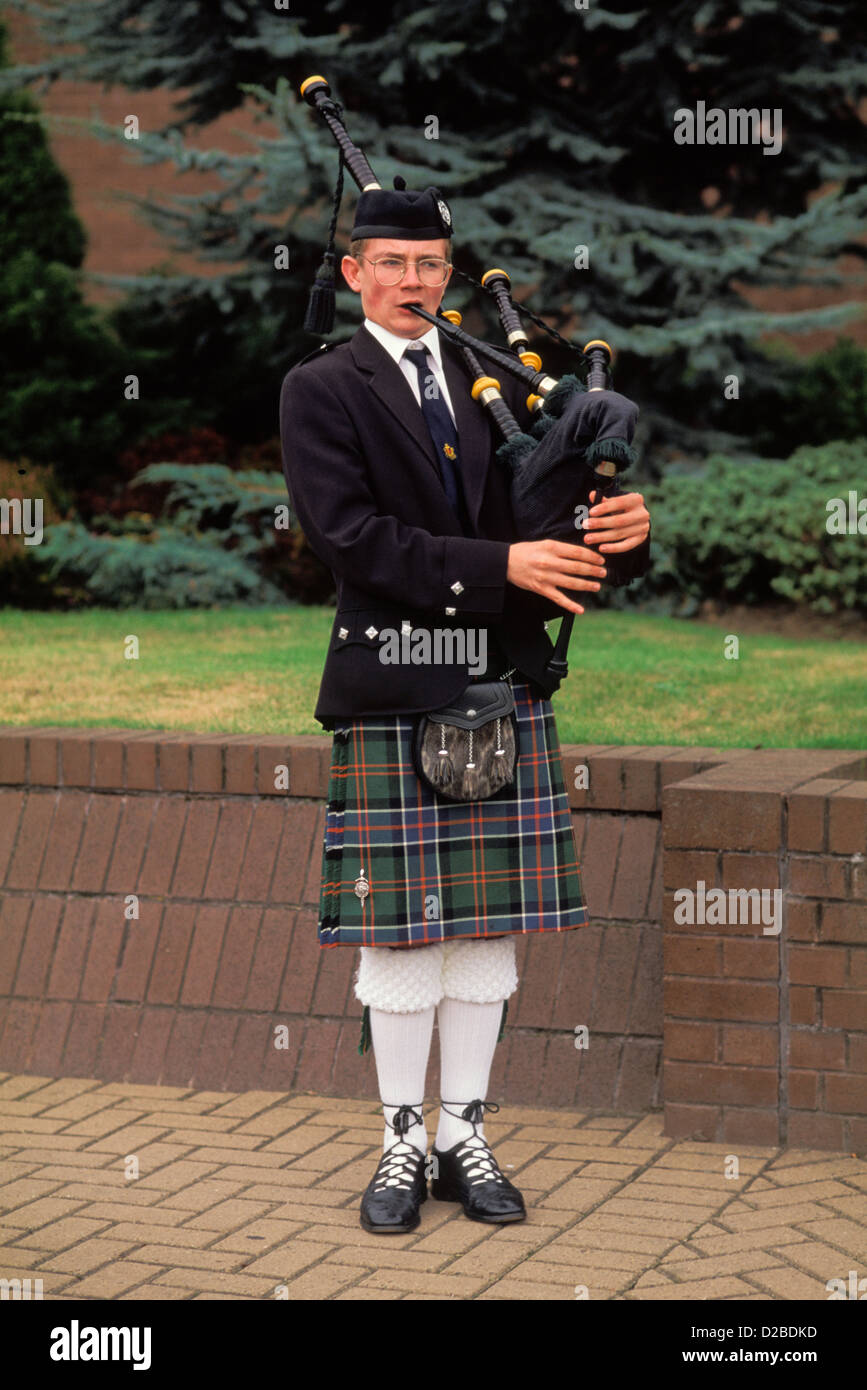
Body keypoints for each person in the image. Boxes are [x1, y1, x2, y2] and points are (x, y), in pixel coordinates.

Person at [279, 178, 651, 1235]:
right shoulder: (322, 388)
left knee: (486, 926)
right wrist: (503, 566)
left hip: (502, 682)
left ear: (450, 275)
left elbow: (557, 509)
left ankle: (462, 1136)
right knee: (402, 938)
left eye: (430, 266)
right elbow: (350, 540)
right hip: (395, 675)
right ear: (354, 273)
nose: (413, 282)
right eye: (390, 263)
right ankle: (401, 1139)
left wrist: (622, 524)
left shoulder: (497, 377)